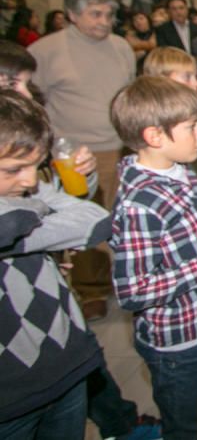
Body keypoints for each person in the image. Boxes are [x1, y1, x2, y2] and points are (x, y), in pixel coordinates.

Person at [108, 77, 197, 439]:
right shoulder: (139, 204)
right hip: (177, 341)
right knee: (186, 426)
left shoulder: (179, 169)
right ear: (155, 137)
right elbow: (134, 291)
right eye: (191, 127)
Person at [0, 90, 113, 440]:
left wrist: (38, 207)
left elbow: (93, 219)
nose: (31, 181)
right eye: (14, 169)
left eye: (37, 167)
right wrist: (46, 206)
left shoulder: (25, 194)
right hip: (11, 392)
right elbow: (9, 225)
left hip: (63, 363)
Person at [30, 0, 135, 321]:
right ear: (72, 14)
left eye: (108, 14)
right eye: (95, 14)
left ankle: (129, 277)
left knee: (124, 219)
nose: (103, 21)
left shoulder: (121, 47)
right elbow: (31, 100)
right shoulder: (47, 51)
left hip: (120, 147)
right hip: (76, 154)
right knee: (87, 221)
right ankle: (92, 289)